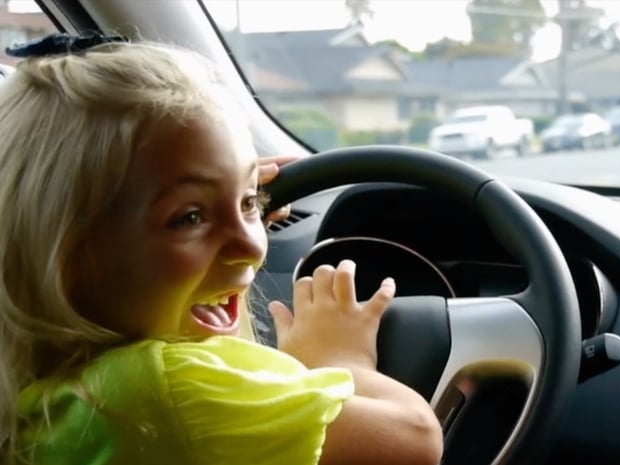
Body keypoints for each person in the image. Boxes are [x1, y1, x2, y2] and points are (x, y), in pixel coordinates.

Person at [0, 33, 443, 465]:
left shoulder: (53, 391)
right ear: (70, 258)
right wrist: (336, 357)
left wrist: (215, 199)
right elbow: (414, 438)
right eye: (189, 218)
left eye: (250, 201)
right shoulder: (167, 392)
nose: (250, 246)